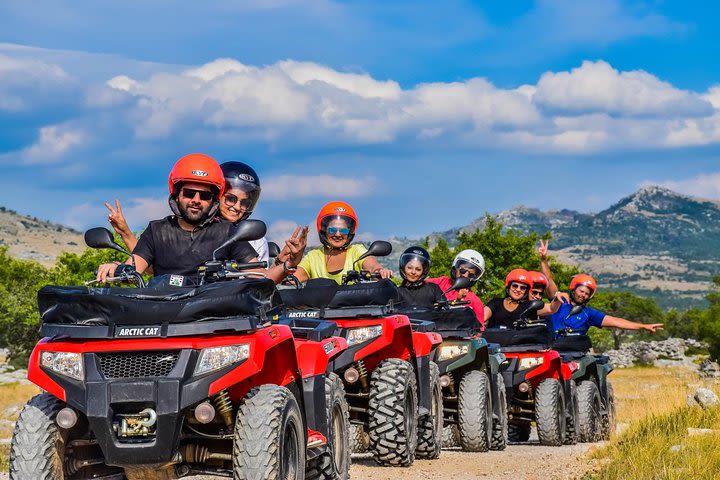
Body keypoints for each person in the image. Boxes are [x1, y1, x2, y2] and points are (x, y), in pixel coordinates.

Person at [96, 153, 306, 284]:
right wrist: (117, 267)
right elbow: (135, 267)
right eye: (189, 193)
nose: (196, 200)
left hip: (212, 321)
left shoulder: (228, 233)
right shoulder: (157, 230)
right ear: (177, 194)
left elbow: (261, 277)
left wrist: (287, 264)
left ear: (213, 200)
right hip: (160, 316)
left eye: (204, 196)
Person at [106, 160, 273, 263]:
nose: (236, 207)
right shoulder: (178, 227)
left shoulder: (251, 237)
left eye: (244, 202)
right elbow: (153, 262)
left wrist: (283, 265)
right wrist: (124, 266)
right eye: (230, 199)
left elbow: (259, 279)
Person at [293, 201, 392, 284]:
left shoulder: (356, 251)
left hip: (353, 306)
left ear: (350, 232)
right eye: (332, 230)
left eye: (343, 231)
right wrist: (292, 259)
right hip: (321, 307)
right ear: (324, 230)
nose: (338, 234)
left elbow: (372, 265)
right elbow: (291, 279)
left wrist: (379, 271)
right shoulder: (313, 257)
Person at [548, 274, 664, 335]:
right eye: (581, 291)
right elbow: (549, 280)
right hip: (551, 349)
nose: (583, 295)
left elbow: (616, 321)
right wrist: (543, 259)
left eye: (587, 293)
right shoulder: (559, 301)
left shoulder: (588, 313)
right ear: (573, 289)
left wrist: (643, 326)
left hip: (574, 353)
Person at [484, 268, 566, 329]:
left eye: (522, 288)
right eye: (515, 286)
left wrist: (557, 298)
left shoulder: (529, 306)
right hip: (497, 349)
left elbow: (551, 309)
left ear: (526, 291)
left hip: (521, 348)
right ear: (509, 287)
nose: (518, 290)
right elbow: (482, 316)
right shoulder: (495, 303)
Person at [426, 249, 486, 327]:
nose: (465, 275)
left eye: (471, 275)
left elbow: (478, 332)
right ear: (456, 268)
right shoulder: (439, 282)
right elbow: (418, 285)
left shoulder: (475, 302)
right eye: (463, 270)